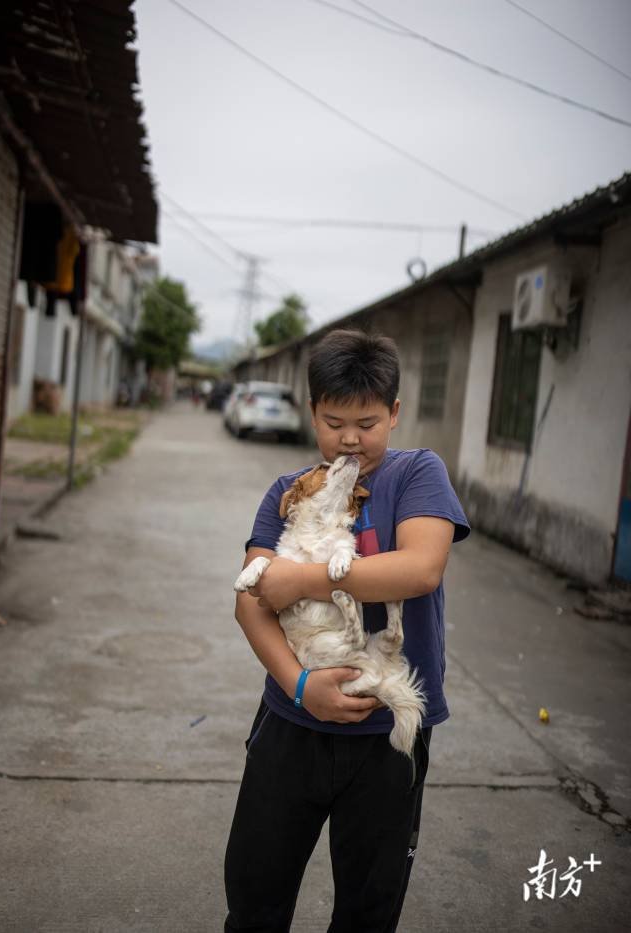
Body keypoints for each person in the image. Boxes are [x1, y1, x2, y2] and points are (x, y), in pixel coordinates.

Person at [224, 328, 471, 932]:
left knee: (368, 908)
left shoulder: (417, 474)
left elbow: (421, 568)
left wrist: (305, 579)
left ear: (394, 412)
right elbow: (253, 604)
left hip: (387, 734)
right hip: (290, 724)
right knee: (256, 893)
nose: (351, 438)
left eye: (367, 421)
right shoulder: (287, 494)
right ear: (311, 411)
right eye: (334, 421)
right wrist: (299, 683)